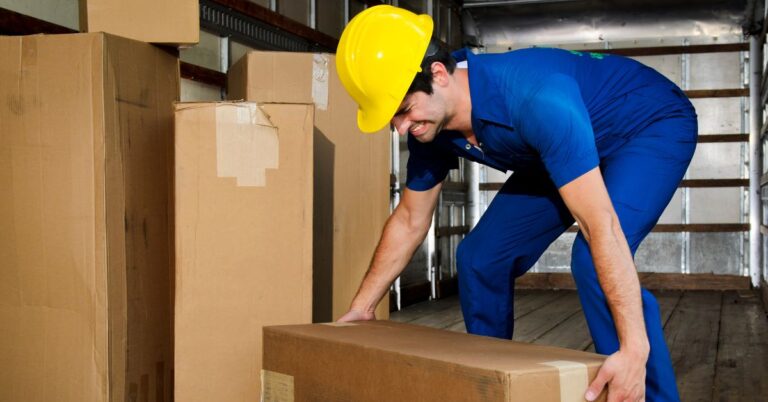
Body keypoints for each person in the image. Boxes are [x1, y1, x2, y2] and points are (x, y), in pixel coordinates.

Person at [336, 5, 696, 402]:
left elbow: (601, 226)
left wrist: (633, 351)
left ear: (438, 75)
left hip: (646, 125)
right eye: (392, 119)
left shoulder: (534, 97)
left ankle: (647, 391)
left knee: (591, 257)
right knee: (480, 257)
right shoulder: (431, 127)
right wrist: (363, 306)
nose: (402, 128)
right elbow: (409, 219)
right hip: (555, 150)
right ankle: (494, 386)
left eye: (404, 111)